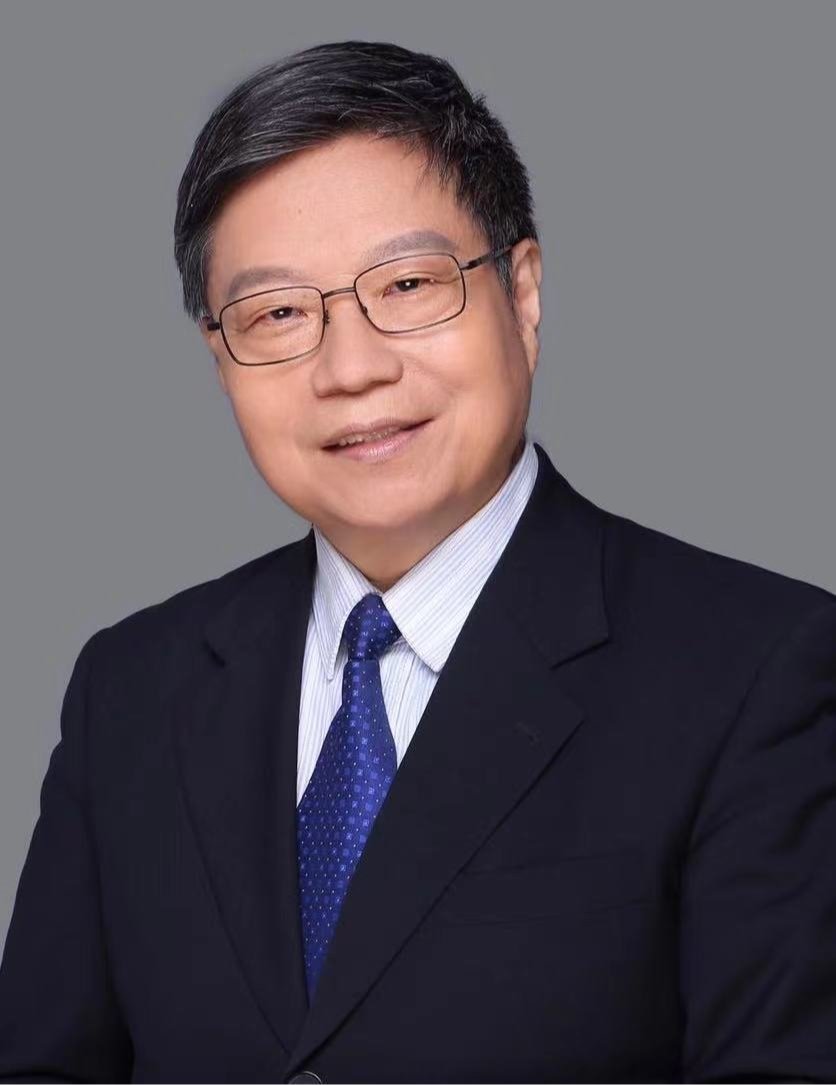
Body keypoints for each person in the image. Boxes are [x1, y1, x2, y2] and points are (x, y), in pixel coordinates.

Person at [1, 38, 834, 1085]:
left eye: (406, 283)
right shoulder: (131, 687)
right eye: (278, 314)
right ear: (220, 357)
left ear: (522, 294)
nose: (350, 367)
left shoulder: (757, 668)